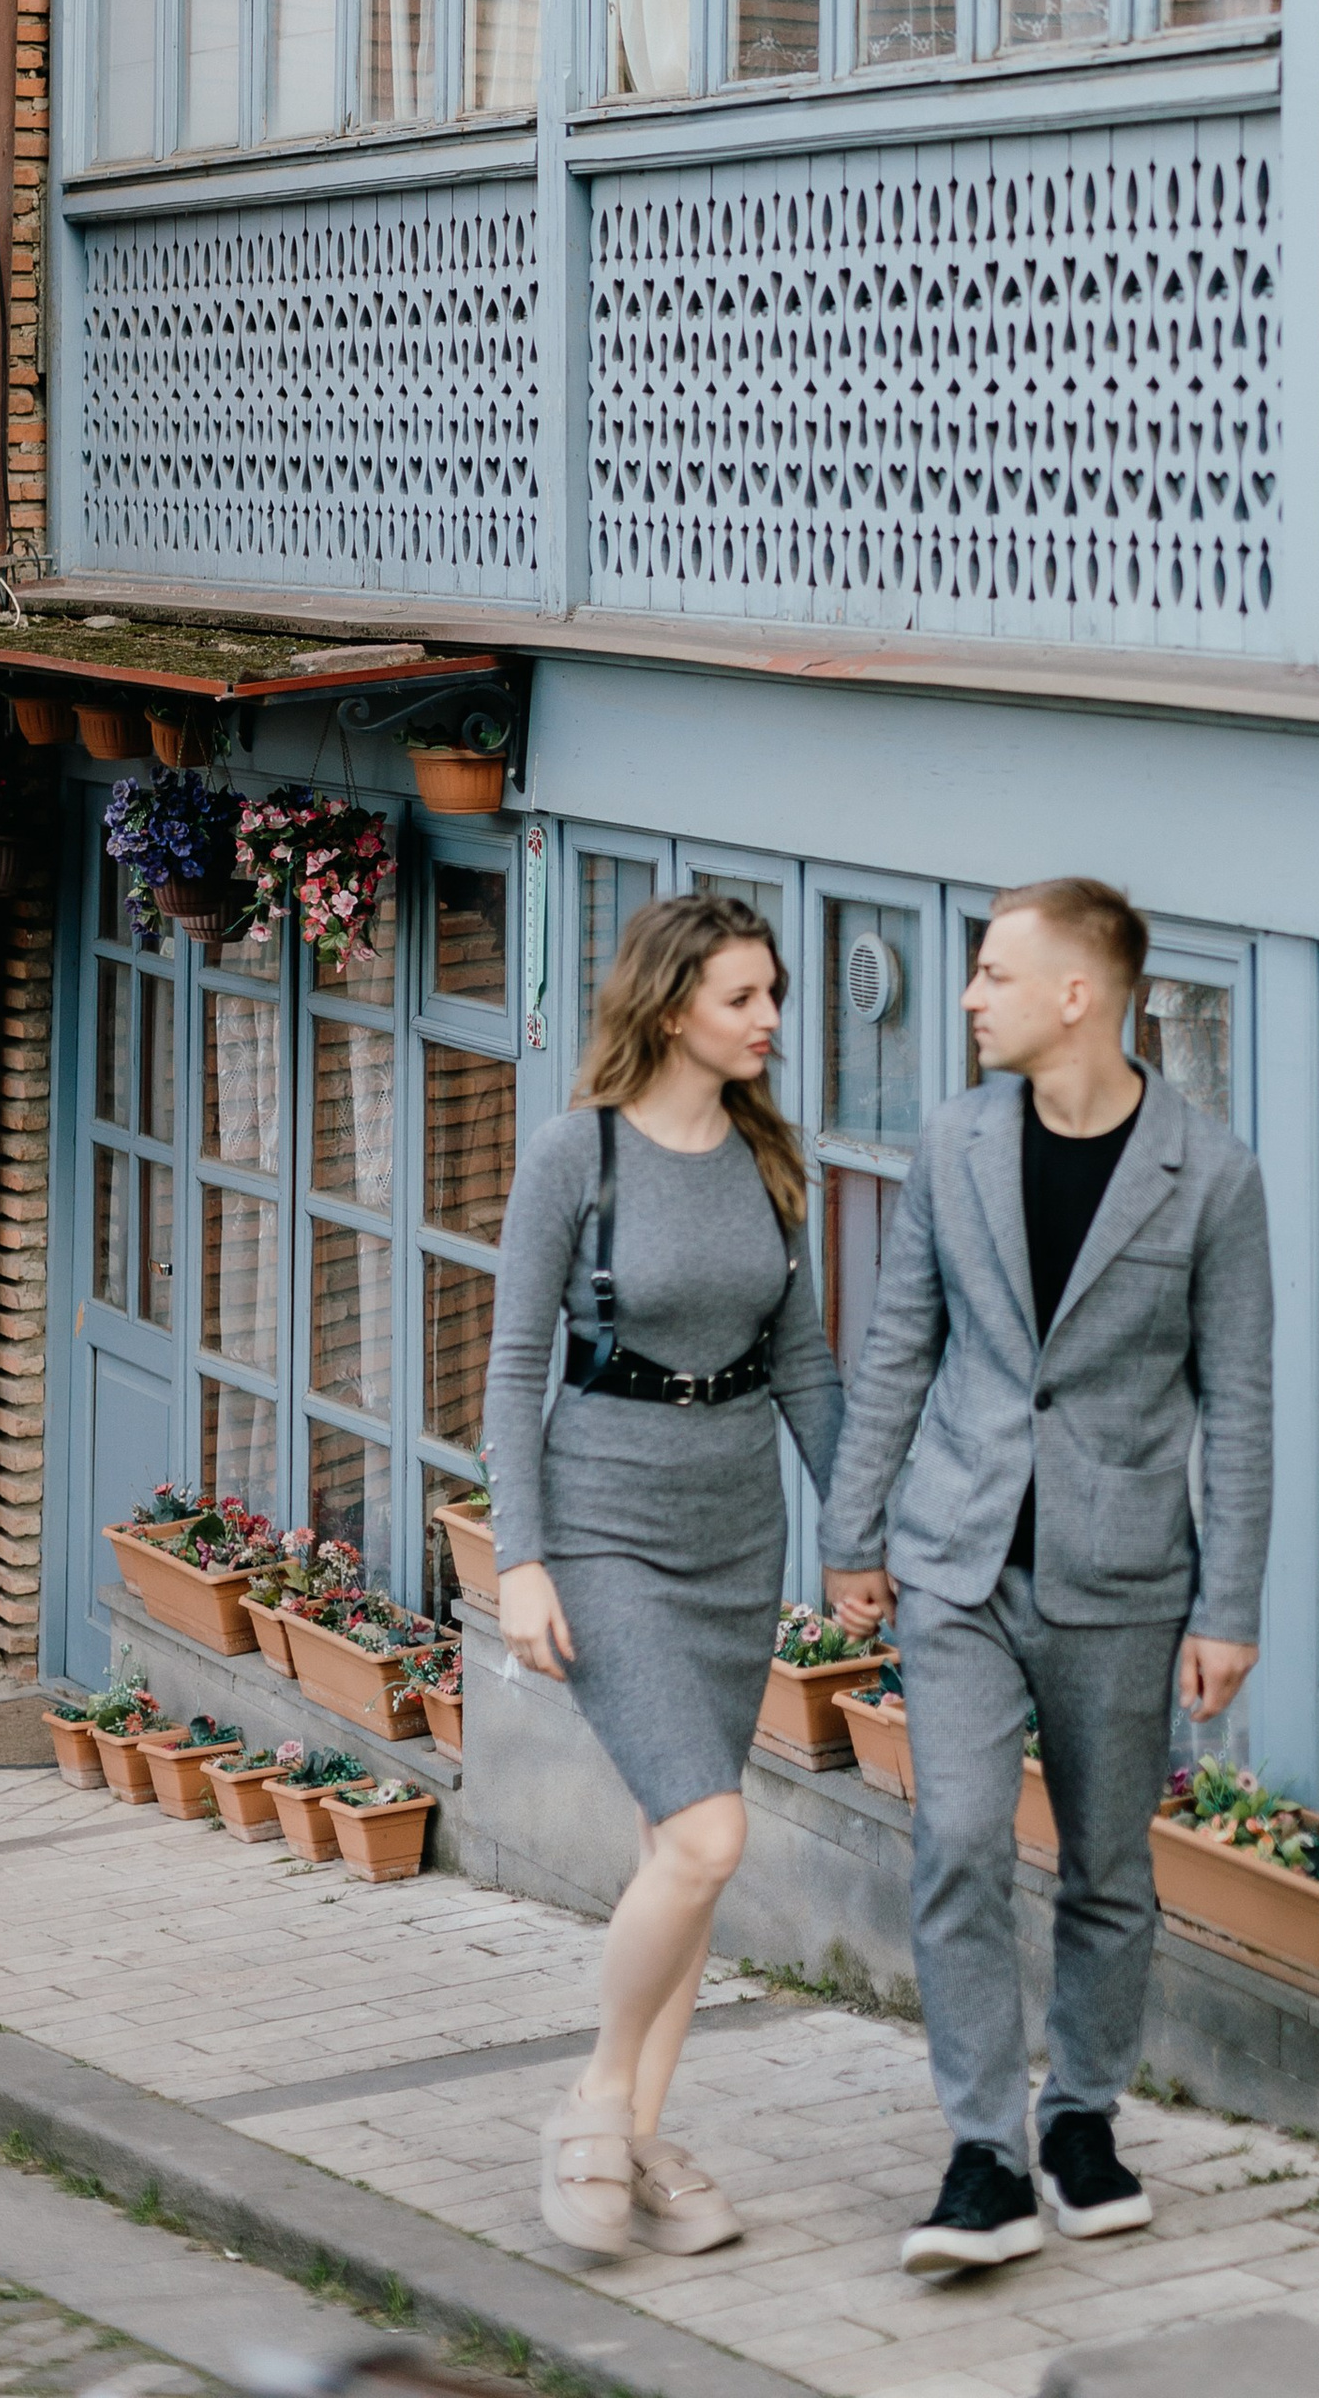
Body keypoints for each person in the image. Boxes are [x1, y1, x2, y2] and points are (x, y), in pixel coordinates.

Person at [820, 877, 1273, 2277]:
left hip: (1123, 1575)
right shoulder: (952, 1144)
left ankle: (1081, 2119)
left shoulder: (1212, 1174)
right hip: (957, 1560)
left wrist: (1230, 1608)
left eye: (994, 974)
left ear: (1078, 995)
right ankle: (983, 2153)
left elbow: (1241, 1404)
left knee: (1107, 1867)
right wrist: (852, 1532)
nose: (970, 996)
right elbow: (899, 1343)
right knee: (958, 1839)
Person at [482, 890, 844, 2259]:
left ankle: (634, 2135)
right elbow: (515, 1365)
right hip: (605, 1528)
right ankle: (591, 2106)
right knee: (708, 1839)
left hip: (734, 1535)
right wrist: (522, 1557)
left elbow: (804, 1365)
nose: (768, 1020)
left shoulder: (768, 1157)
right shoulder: (576, 1155)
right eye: (744, 997)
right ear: (674, 1003)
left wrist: (861, 1533)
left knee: (673, 1857)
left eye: (773, 996)